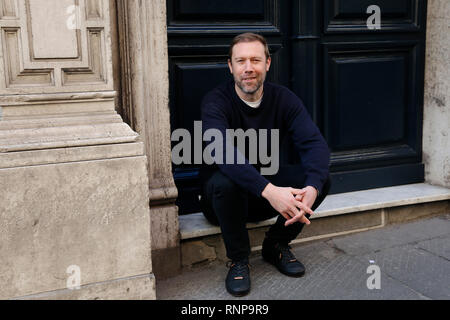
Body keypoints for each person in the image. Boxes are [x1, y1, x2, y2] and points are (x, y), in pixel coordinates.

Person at [199, 33, 331, 297]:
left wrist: (313, 188)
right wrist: (272, 192)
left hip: (263, 198)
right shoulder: (216, 102)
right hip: (222, 201)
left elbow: (315, 144)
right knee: (227, 181)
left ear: (268, 63)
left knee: (319, 178)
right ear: (230, 66)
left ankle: (276, 244)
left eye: (255, 60)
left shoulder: (284, 99)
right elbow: (224, 154)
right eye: (241, 61)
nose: (249, 68)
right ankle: (238, 259)